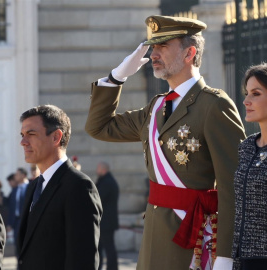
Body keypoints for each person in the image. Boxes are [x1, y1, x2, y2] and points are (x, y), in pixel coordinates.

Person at [86, 15, 246, 270]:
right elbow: (99, 127)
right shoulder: (157, 107)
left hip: (192, 239)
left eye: (163, 46)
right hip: (154, 236)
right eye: (153, 46)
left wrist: (225, 256)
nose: (153, 54)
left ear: (189, 53)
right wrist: (116, 78)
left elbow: (233, 186)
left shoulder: (214, 105)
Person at [18, 104, 102, 270]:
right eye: (22, 135)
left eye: (31, 134)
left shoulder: (79, 186)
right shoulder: (34, 185)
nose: (23, 142)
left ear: (56, 137)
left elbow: (83, 260)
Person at [232, 63, 267, 269]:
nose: (246, 101)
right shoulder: (246, 146)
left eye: (255, 93)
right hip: (241, 258)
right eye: (247, 93)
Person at [96, 162, 119, 270]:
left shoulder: (107, 182)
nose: (97, 171)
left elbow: (98, 198)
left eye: (98, 168)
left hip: (106, 222)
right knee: (101, 247)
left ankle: (111, 268)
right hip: (106, 221)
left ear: (103, 169)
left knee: (108, 247)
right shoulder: (108, 181)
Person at [7, 168, 29, 255]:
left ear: (23, 175)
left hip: (26, 221)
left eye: (17, 174)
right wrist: (9, 223)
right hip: (16, 222)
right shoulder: (15, 190)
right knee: (17, 245)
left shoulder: (30, 187)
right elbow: (12, 207)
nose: (15, 176)